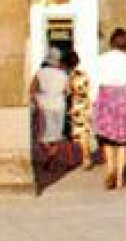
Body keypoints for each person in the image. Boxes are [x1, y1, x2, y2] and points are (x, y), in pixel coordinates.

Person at [93, 27, 126, 190]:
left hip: (106, 95)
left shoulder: (101, 58)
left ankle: (110, 169)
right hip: (122, 96)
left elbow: (96, 77)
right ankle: (121, 177)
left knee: (107, 138)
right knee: (122, 140)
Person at [30, 46, 69, 175]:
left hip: (44, 105)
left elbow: (32, 89)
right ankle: (51, 157)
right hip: (59, 105)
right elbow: (66, 91)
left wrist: (36, 101)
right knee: (56, 135)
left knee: (42, 135)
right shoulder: (63, 74)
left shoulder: (40, 72)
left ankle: (49, 155)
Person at [63, 48, 97, 169]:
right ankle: (86, 158)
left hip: (73, 106)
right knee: (84, 134)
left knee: (71, 136)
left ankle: (70, 160)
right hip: (85, 105)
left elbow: (66, 91)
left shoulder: (68, 76)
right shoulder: (84, 74)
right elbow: (88, 90)